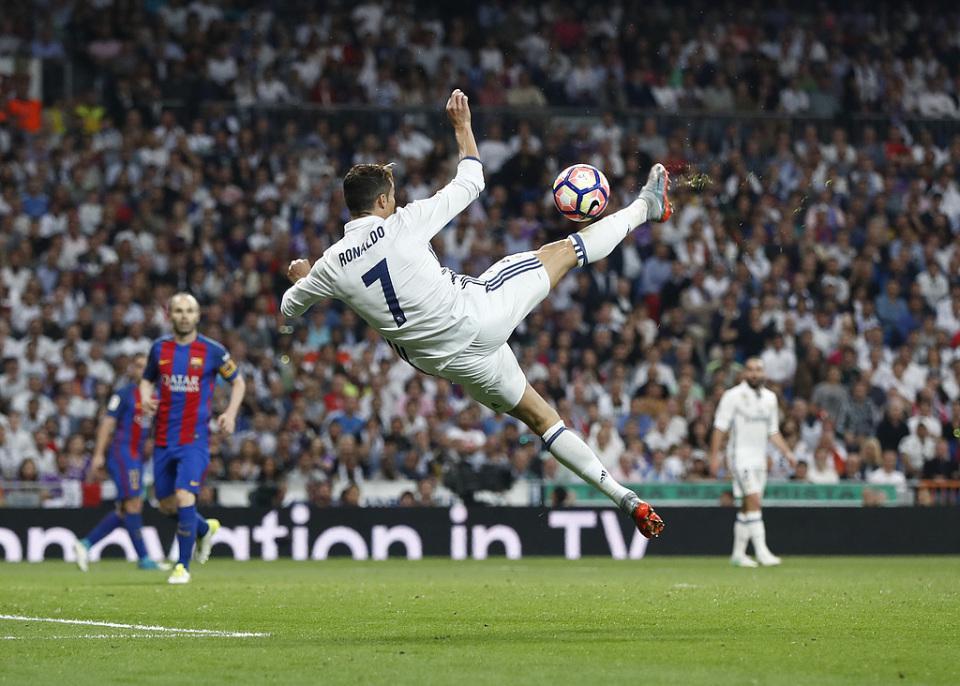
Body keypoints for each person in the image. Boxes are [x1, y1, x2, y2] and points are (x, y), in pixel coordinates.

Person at [280, 89, 669, 538]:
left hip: (452, 364)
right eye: (394, 196)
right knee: (565, 251)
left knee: (542, 420)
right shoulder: (402, 223)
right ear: (383, 201)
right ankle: (646, 206)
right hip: (478, 315)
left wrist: (303, 277)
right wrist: (462, 127)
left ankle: (624, 497)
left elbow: (291, 307)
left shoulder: (330, 265)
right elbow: (472, 180)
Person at [141, 293, 246, 584]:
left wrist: (231, 413)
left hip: (194, 439)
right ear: (170, 315)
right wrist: (145, 396)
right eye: (178, 311)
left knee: (185, 495)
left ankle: (182, 566)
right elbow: (147, 378)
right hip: (163, 439)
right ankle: (203, 529)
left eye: (190, 311)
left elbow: (238, 382)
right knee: (166, 505)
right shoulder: (159, 349)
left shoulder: (213, 351)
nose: (184, 316)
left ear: (198, 316)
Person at [73, 354, 166, 571]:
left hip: (137, 456)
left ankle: (85, 544)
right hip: (123, 453)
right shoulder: (124, 394)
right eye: (139, 366)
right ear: (132, 370)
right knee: (133, 503)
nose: (143, 370)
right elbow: (107, 423)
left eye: (147, 366)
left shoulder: (156, 395)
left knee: (126, 509)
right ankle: (144, 559)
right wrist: (98, 454)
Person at [710, 358, 796, 567]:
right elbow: (720, 427)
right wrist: (714, 456)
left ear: (764, 373)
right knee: (754, 500)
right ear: (744, 373)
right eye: (750, 370)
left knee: (747, 506)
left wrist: (787, 452)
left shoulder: (770, 398)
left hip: (759, 459)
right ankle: (762, 551)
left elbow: (773, 431)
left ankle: (738, 554)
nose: (754, 374)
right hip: (739, 457)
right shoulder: (732, 396)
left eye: (758, 370)